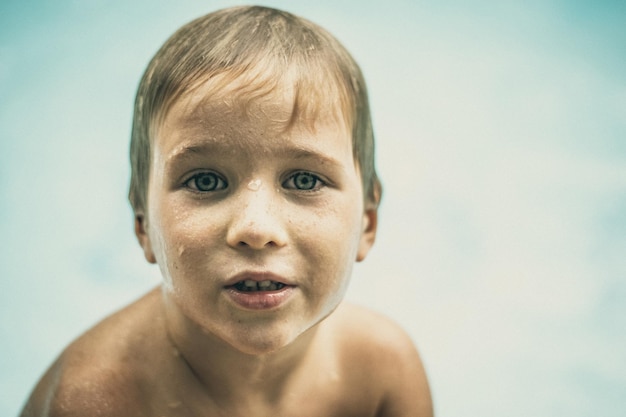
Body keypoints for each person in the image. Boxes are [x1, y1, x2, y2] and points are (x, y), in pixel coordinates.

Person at [20, 5, 432, 416]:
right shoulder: (93, 402)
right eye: (205, 181)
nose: (255, 227)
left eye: (304, 180)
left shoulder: (382, 370)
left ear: (367, 223)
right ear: (143, 224)